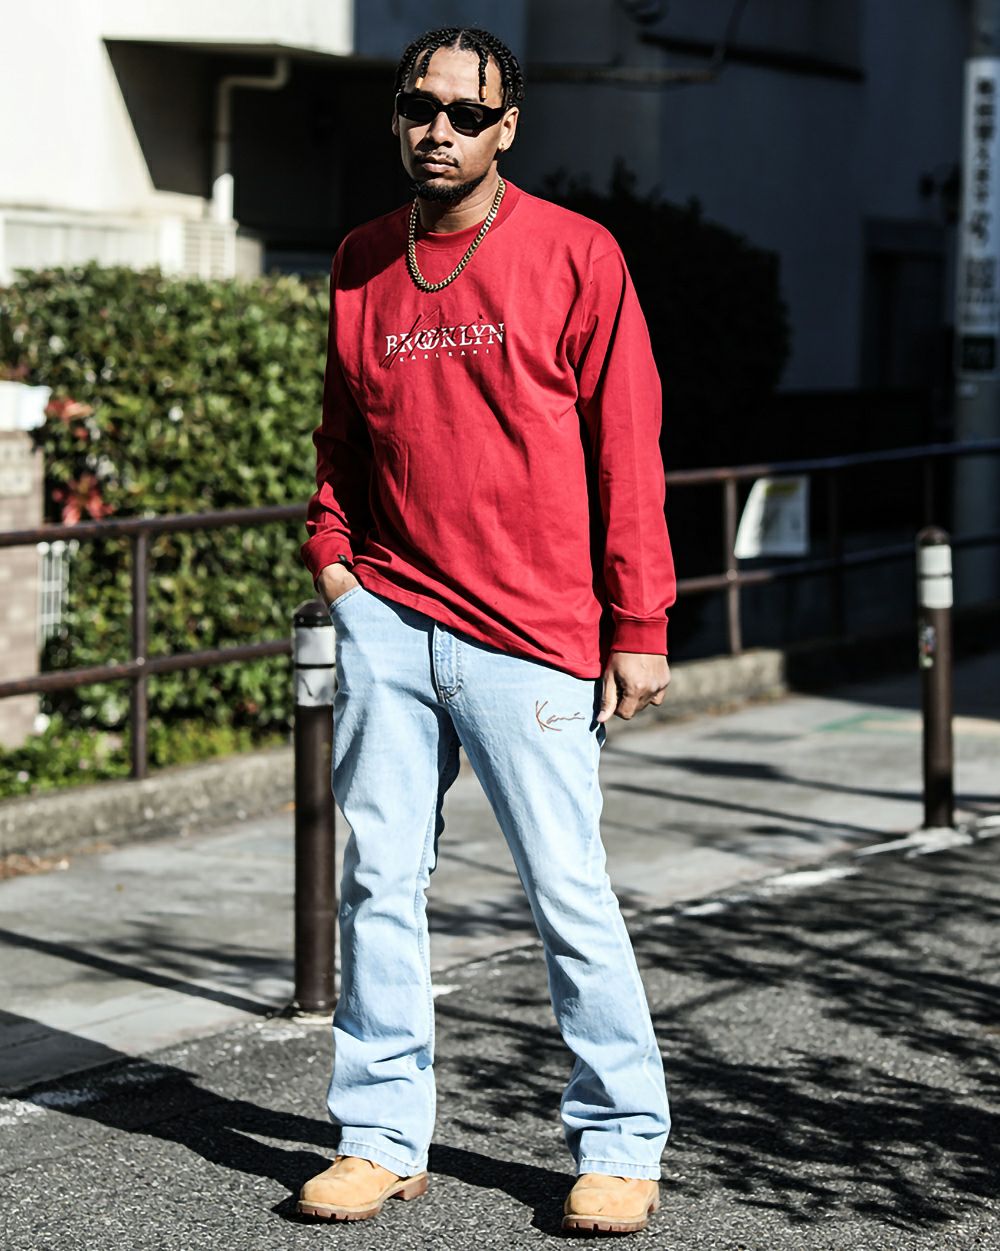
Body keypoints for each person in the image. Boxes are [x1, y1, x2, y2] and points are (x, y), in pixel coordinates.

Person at [296, 25, 677, 1236]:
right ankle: (379, 1137)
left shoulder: (576, 254)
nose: (440, 130)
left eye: (467, 113)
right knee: (377, 883)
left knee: (567, 890)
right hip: (391, 622)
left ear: (506, 127)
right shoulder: (361, 260)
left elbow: (626, 446)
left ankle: (620, 1144)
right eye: (421, 107)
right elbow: (340, 443)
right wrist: (337, 570)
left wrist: (639, 619)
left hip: (533, 632)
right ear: (397, 116)